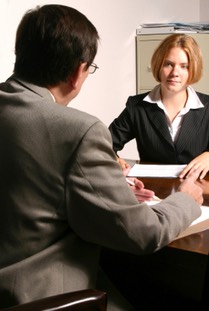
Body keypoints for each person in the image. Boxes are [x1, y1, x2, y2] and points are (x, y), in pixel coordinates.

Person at [0, 6, 203, 311]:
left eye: (183, 66)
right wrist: (188, 198)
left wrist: (106, 183)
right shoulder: (82, 128)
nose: (175, 73)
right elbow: (145, 233)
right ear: (77, 72)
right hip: (44, 295)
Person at [109, 34, 209, 179]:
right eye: (168, 64)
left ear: (192, 69)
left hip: (198, 192)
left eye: (184, 66)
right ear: (158, 66)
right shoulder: (137, 107)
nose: (175, 73)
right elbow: (105, 144)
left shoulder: (207, 106)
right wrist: (114, 159)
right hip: (152, 191)